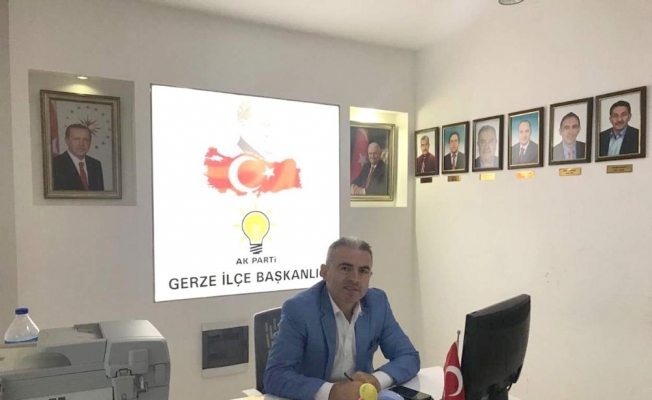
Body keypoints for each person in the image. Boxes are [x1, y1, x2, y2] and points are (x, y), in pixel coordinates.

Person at [264, 237, 420, 400]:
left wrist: (377, 380)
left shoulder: (377, 303)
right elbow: (275, 375)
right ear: (325, 272)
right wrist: (331, 391)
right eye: (345, 268)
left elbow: (409, 357)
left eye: (363, 271)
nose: (355, 279)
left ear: (370, 276)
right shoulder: (299, 309)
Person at [52, 124, 104, 191]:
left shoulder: (95, 164)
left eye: (86, 139)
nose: (81, 144)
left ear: (90, 142)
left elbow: (99, 195)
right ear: (67, 140)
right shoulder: (54, 164)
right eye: (76, 139)